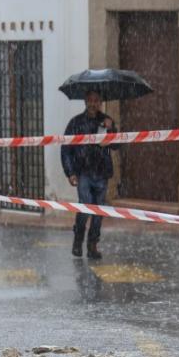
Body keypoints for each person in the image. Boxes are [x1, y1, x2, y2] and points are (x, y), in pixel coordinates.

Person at [60, 90, 116, 259]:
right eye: (90, 100)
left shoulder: (106, 122)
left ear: (101, 103)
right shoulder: (75, 123)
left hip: (102, 173)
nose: (93, 104)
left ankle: (92, 245)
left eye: (97, 100)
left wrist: (111, 129)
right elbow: (66, 149)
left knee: (99, 211)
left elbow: (117, 146)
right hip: (84, 173)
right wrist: (70, 172)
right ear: (85, 102)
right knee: (84, 207)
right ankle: (78, 241)